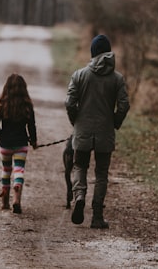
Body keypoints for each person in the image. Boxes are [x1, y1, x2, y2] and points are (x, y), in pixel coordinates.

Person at [65, 34, 130, 228]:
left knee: (79, 167)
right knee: (101, 173)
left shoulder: (79, 75)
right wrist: (115, 122)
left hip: (82, 130)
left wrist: (75, 120)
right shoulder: (117, 79)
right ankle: (97, 217)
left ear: (92, 53)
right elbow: (124, 105)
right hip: (105, 132)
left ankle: (79, 196)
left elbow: (69, 102)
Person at [0, 73, 38, 214]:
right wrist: (33, 140)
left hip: (5, 144)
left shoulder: (2, 104)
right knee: (19, 170)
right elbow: (31, 125)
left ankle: (5, 202)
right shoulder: (27, 105)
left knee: (6, 170)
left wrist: (2, 136)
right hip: (21, 144)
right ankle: (17, 198)